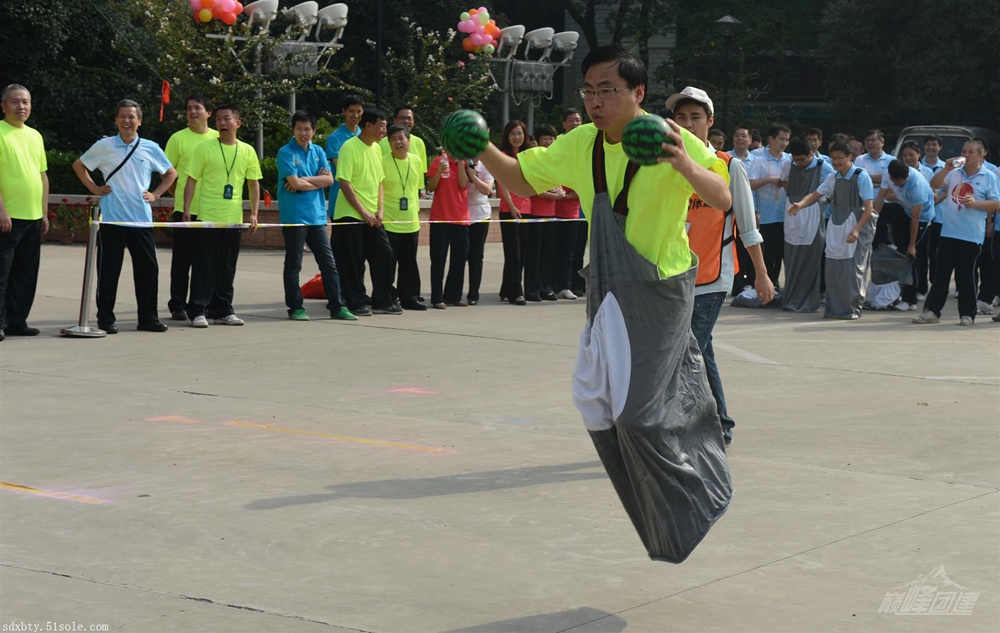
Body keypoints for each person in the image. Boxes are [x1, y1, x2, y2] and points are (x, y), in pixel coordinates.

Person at [479, 44, 734, 563]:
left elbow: (722, 197)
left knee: (640, 417)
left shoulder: (671, 138)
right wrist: (480, 146)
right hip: (607, 286)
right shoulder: (580, 143)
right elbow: (521, 179)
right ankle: (661, 525)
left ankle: (705, 485)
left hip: (660, 287)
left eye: (608, 91)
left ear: (638, 93)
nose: (596, 102)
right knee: (595, 404)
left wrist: (683, 160)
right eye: (589, 91)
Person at [670, 86, 773, 445]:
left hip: (712, 275)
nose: (687, 124)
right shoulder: (665, 165)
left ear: (710, 121)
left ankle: (714, 424)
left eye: (695, 117)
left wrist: (761, 273)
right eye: (680, 118)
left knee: (692, 346)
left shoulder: (729, 166)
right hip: (673, 275)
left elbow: (747, 226)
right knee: (698, 348)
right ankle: (715, 421)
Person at [73, 99, 177, 334]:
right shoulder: (104, 145)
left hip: (140, 219)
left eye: (132, 117)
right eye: (122, 116)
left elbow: (170, 173)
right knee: (109, 270)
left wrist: (156, 194)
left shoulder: (150, 147)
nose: (127, 121)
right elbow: (79, 165)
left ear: (139, 121)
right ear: (116, 120)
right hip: (112, 218)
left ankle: (148, 318)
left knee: (148, 270)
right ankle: (106, 319)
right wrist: (94, 188)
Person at [182, 103, 259, 328]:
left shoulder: (247, 151)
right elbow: (191, 180)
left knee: (227, 266)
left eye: (227, 119)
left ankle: (223, 309)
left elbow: (253, 185)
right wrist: (187, 209)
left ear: (238, 123)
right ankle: (197, 309)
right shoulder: (204, 148)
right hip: (207, 216)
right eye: (218, 119)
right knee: (203, 265)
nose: (222, 123)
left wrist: (253, 213)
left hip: (233, 218)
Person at [277, 110, 356, 321]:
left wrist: (304, 181)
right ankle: (295, 307)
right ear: (293, 130)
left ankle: (337, 306)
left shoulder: (319, 151)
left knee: (329, 264)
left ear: (314, 130)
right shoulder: (285, 152)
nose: (303, 133)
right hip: (294, 217)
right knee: (294, 264)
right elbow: (294, 184)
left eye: (307, 129)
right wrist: (310, 181)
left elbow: (330, 180)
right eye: (299, 129)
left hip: (317, 217)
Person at [914, 141, 1000, 325]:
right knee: (941, 274)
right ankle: (932, 312)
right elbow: (934, 184)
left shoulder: (988, 176)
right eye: (963, 151)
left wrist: (976, 203)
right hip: (949, 232)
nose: (966, 155)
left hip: (971, 234)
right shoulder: (954, 173)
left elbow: (995, 203)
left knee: (966, 275)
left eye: (971, 152)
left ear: (981, 155)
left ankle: (967, 314)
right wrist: (945, 169)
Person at [788, 141, 876, 320]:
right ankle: (835, 308)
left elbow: (868, 208)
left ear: (849, 157)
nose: (836, 162)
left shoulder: (861, 176)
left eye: (840, 158)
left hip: (856, 224)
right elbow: (816, 194)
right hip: (838, 224)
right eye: (833, 158)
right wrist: (801, 204)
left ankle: (851, 308)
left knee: (852, 269)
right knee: (834, 268)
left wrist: (857, 230)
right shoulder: (834, 177)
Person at [332, 108, 400, 316]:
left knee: (385, 254)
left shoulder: (378, 149)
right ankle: (355, 302)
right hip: (350, 214)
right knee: (353, 261)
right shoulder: (349, 147)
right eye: (381, 126)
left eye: (385, 126)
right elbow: (344, 182)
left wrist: (380, 210)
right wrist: (363, 212)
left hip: (373, 215)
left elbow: (379, 181)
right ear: (368, 125)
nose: (384, 130)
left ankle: (381, 299)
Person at [0, 84, 48, 341]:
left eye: (26, 102)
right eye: (15, 102)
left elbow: (42, 175)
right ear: (3, 105)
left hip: (32, 217)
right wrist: (2, 211)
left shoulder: (35, 135)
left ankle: (17, 321)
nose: (21, 107)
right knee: (2, 273)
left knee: (25, 273)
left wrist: (44, 212)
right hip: (7, 217)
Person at [164, 95, 219, 321]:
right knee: (181, 260)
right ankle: (178, 305)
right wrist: (179, 195)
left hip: (212, 211)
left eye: (198, 108)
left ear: (209, 112)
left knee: (206, 262)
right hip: (184, 211)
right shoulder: (178, 139)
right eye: (189, 109)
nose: (193, 112)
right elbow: (166, 172)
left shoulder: (219, 137)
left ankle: (202, 304)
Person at [872, 159, 936, 311]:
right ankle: (884, 241)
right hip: (904, 209)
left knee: (911, 257)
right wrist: (871, 224)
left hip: (921, 220)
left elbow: (915, 220)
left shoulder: (917, 185)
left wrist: (912, 245)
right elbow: (880, 198)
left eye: (901, 182)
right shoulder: (888, 175)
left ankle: (910, 300)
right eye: (896, 182)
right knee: (882, 210)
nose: (899, 184)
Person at [781, 138, 835, 312]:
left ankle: (809, 299)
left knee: (811, 259)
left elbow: (835, 189)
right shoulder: (788, 165)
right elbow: (784, 182)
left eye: (802, 159)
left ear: (811, 154)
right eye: (796, 160)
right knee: (791, 258)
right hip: (792, 216)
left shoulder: (824, 167)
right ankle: (791, 296)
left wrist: (823, 202)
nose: (799, 163)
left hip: (813, 217)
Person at [381, 124, 426, 311]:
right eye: (393, 139)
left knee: (409, 263)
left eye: (401, 138)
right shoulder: (382, 161)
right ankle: (388, 296)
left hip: (411, 221)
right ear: (389, 143)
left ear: (409, 141)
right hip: (390, 221)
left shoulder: (416, 160)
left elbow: (418, 190)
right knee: (388, 264)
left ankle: (410, 297)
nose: (398, 142)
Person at [425, 149, 470, 309]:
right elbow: (430, 187)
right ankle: (437, 298)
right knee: (438, 259)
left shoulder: (465, 162)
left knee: (460, 259)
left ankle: (454, 295)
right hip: (440, 217)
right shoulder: (438, 161)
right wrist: (438, 172)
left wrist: (459, 163)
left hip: (460, 217)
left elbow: (463, 184)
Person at [748, 124, 791, 287]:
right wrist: (770, 180)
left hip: (786, 214)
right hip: (767, 216)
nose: (784, 143)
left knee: (782, 253)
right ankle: (768, 285)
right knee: (768, 254)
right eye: (781, 139)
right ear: (771, 139)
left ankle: (778, 286)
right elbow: (750, 185)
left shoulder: (789, 159)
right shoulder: (759, 161)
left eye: (787, 140)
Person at [525, 124, 564, 301]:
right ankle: (532, 289)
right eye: (545, 139)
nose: (548, 142)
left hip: (552, 213)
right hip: (535, 213)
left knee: (548, 253)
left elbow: (560, 183)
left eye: (551, 138)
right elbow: (531, 187)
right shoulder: (534, 160)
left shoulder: (555, 160)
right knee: (534, 254)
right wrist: (552, 194)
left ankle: (546, 288)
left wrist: (561, 193)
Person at [497, 120, 531, 305]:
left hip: (527, 209)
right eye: (513, 134)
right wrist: (511, 206)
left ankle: (506, 288)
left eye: (520, 133)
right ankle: (516, 292)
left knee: (522, 253)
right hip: (509, 210)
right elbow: (502, 183)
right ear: (507, 136)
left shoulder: (528, 156)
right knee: (513, 253)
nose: (517, 137)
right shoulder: (503, 156)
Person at [727, 124, 758, 293]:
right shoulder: (725, 158)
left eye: (744, 136)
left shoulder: (755, 161)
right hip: (730, 210)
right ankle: (736, 283)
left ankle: (751, 280)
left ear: (750, 140)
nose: (740, 139)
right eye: (737, 135)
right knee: (735, 247)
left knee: (750, 245)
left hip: (750, 210)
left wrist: (757, 210)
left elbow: (756, 191)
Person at [854, 130, 895, 248]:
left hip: (884, 207)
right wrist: (881, 180)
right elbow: (858, 180)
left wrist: (867, 179)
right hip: (863, 206)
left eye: (873, 140)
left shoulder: (891, 160)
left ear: (882, 142)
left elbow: (892, 182)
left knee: (881, 242)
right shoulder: (859, 160)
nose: (870, 143)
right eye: (867, 141)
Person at [325, 95, 364, 221]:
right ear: (344, 112)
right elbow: (343, 168)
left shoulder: (366, 136)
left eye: (359, 111)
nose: (355, 115)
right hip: (340, 202)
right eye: (351, 111)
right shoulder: (334, 138)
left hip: (364, 201)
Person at [563, 108, 588, 297]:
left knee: (580, 248)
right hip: (564, 208)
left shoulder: (588, 143)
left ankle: (579, 284)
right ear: (564, 124)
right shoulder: (560, 144)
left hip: (584, 207)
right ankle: (564, 283)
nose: (575, 123)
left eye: (578, 120)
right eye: (571, 120)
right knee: (566, 250)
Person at [465, 156, 494, 305]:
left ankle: (473, 293)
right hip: (461, 213)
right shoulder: (460, 164)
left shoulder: (486, 166)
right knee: (461, 254)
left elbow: (486, 190)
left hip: (481, 214)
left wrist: (472, 176)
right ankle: (454, 292)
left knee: (476, 256)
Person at [378, 106, 428, 178]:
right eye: (402, 118)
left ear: (413, 121)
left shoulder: (419, 142)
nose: (406, 121)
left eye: (409, 118)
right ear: (395, 120)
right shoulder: (382, 143)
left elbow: (421, 172)